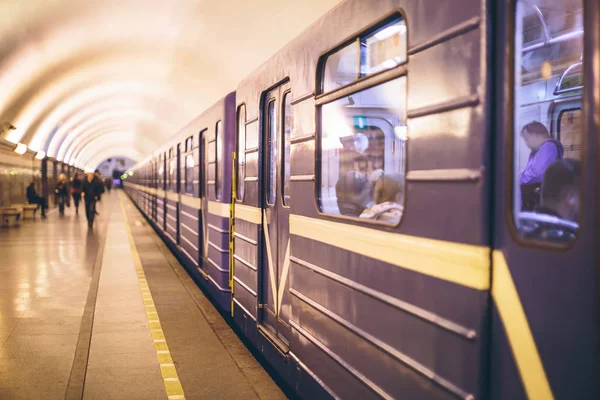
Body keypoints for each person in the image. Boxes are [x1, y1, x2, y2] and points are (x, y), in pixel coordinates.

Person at [519, 121, 564, 211]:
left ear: (536, 135)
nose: (526, 143)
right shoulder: (539, 150)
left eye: (527, 139)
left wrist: (516, 176)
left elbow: (536, 175)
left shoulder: (548, 147)